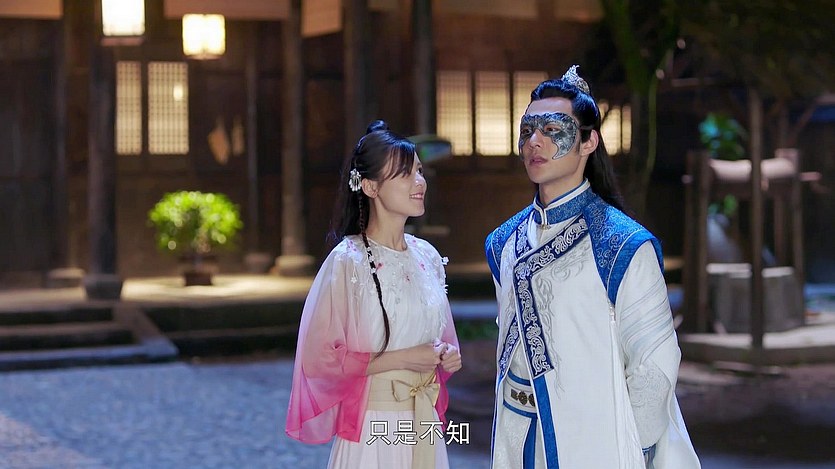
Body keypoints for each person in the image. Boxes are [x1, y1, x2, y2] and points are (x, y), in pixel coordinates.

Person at [484, 66, 701, 468]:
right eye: (527, 130)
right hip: (516, 434)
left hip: (595, 443)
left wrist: (628, 448)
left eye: (553, 129)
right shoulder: (504, 242)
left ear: (588, 141)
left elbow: (655, 365)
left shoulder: (622, 244)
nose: (535, 141)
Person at [286, 120, 462, 469]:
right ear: (370, 186)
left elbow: (437, 336)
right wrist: (403, 358)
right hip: (374, 425)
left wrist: (446, 354)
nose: (419, 182)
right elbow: (319, 359)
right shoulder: (347, 261)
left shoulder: (427, 255)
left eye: (419, 171)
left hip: (423, 420)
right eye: (405, 174)